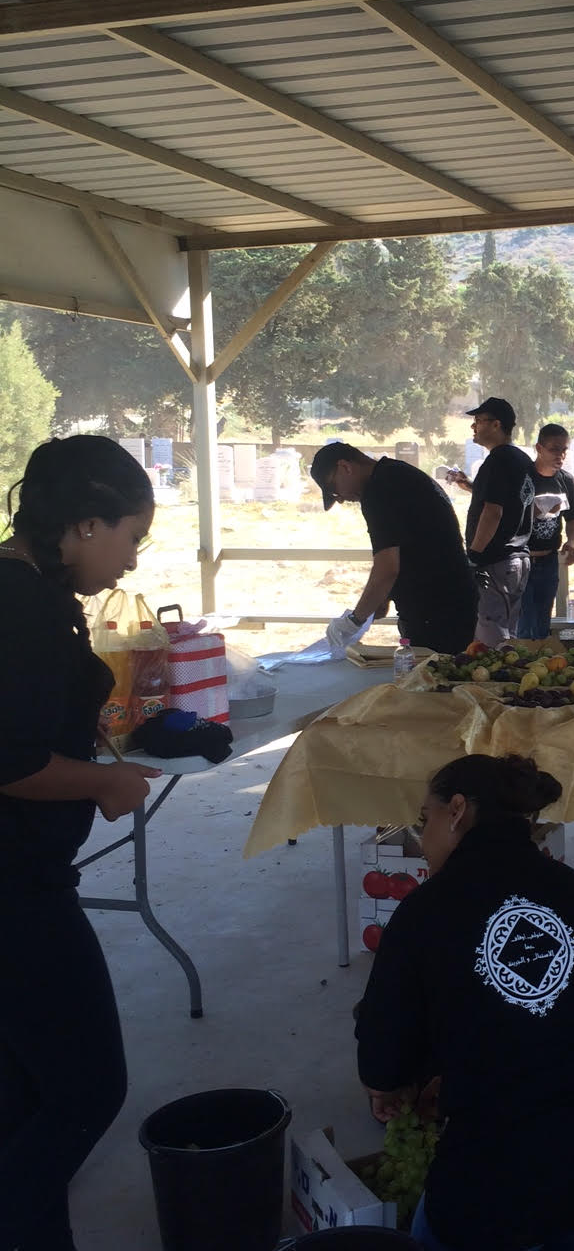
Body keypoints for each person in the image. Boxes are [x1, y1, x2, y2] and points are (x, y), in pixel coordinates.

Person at [355, 754, 574, 1250]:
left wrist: (394, 1086)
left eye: (425, 819)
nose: (422, 838)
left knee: (438, 1234)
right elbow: (563, 1013)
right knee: (571, 1223)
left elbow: (381, 1060)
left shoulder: (425, 911)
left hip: (500, 1188)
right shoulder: (572, 889)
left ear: (457, 810)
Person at [0, 436, 162, 1251]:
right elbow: (11, 761)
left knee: (24, 1092)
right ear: (86, 523)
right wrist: (102, 783)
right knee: (88, 1089)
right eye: (131, 536)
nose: (131, 559)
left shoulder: (29, 585)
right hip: (16, 889)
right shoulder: (22, 606)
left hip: (21, 874)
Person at [309, 443, 478, 656]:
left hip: (436, 610)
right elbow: (413, 543)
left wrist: (354, 620)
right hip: (451, 601)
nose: (341, 499)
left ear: (345, 467)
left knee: (432, 673)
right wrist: (385, 595)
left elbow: (387, 568)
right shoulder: (396, 474)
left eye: (334, 490)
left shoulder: (378, 490)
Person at [446, 398, 535, 646]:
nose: (473, 426)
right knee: (509, 635)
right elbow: (512, 501)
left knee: (491, 636)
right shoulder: (521, 459)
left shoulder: (497, 461)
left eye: (478, 421)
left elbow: (493, 512)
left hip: (495, 561)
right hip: (518, 559)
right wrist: (471, 486)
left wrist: (474, 555)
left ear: (496, 425)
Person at [516, 424, 574, 641]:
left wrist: (571, 542)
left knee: (542, 620)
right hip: (521, 560)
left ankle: (539, 657)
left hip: (549, 561)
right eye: (554, 449)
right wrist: (535, 511)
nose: (560, 455)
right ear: (539, 448)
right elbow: (504, 515)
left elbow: (573, 518)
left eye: (564, 449)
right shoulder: (522, 478)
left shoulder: (566, 481)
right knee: (523, 622)